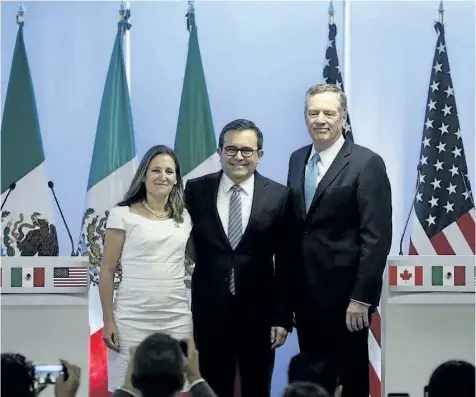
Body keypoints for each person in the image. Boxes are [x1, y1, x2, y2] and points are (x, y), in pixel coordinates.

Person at [286, 83, 392, 397]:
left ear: (343, 118)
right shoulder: (297, 159)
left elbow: (376, 236)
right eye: (313, 112)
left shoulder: (366, 163)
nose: (320, 119)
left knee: (351, 378)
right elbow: (297, 228)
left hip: (347, 301)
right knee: (312, 381)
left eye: (329, 113)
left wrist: (361, 297)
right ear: (305, 118)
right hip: (305, 298)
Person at [185, 119, 293, 397]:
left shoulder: (280, 196)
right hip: (209, 310)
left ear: (260, 155)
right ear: (219, 152)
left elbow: (286, 262)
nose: (239, 157)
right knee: (211, 387)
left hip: (260, 314)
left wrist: (282, 317)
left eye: (247, 150)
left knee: (257, 387)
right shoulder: (195, 191)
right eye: (231, 149)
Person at [99, 145, 193, 391]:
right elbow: (107, 270)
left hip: (176, 317)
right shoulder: (122, 214)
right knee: (128, 388)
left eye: (169, 171)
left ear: (176, 178)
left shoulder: (185, 217)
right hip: (131, 319)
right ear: (144, 175)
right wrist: (108, 320)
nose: (163, 176)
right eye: (156, 170)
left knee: (174, 387)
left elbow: (200, 258)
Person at [112, 334, 217, 397]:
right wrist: (195, 377)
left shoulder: (133, 381)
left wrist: (128, 386)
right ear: (182, 382)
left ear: (134, 380)